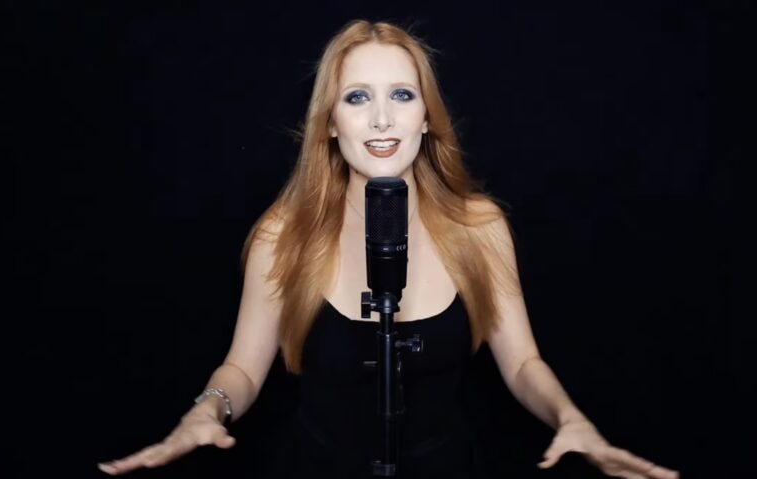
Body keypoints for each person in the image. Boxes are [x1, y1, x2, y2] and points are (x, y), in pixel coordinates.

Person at [98, 19, 680, 479]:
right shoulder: (284, 234)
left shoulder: (479, 227)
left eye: (401, 95)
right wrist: (207, 408)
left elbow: (523, 363)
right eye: (356, 98)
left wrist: (570, 418)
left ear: (426, 117)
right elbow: (244, 368)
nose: (381, 119)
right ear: (330, 123)